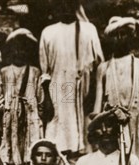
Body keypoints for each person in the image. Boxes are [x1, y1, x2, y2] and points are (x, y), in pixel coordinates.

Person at [39, 0, 103, 154]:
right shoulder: (48, 32)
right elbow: (45, 71)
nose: (65, 7)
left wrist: (93, 94)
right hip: (58, 90)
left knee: (85, 136)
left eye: (70, 3)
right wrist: (47, 98)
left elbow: (98, 67)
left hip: (84, 90)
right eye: (61, 3)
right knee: (58, 136)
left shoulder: (89, 30)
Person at [94, 16, 139, 161]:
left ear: (130, 37)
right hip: (111, 127)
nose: (119, 38)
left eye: (123, 34)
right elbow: (97, 109)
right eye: (115, 35)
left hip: (136, 124)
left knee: (136, 164)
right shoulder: (103, 68)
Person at [0, 28, 44, 165]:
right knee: (10, 146)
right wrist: (6, 108)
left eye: (23, 49)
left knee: (30, 146)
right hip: (11, 115)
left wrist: (35, 110)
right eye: (16, 48)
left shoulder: (35, 71)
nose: (19, 52)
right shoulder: (4, 72)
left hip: (30, 115)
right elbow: (0, 95)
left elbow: (39, 96)